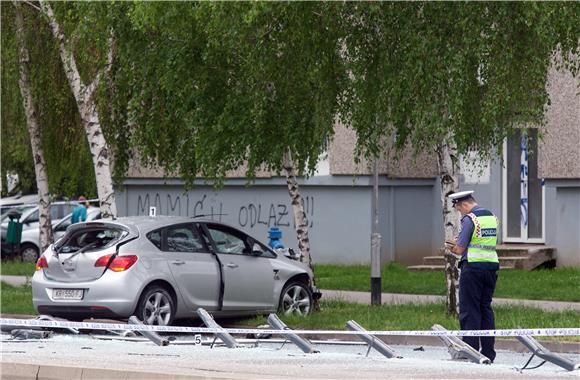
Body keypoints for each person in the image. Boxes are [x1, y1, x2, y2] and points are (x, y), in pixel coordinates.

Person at [446, 190, 499, 363]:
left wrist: (451, 247)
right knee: (485, 308)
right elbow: (484, 241)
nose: (460, 212)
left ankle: (470, 351)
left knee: (470, 310)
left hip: (473, 268)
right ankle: (488, 352)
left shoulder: (470, 219)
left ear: (463, 204)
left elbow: (460, 249)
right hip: (491, 267)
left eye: (459, 209)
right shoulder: (491, 217)